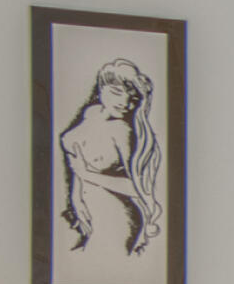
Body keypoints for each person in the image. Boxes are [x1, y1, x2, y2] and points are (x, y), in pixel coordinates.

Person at [57, 57, 161, 257]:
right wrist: (76, 198)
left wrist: (86, 175)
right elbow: (79, 162)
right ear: (101, 88)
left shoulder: (121, 130)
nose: (125, 103)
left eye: (133, 98)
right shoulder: (91, 113)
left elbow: (136, 187)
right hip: (91, 211)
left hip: (116, 216)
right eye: (116, 92)